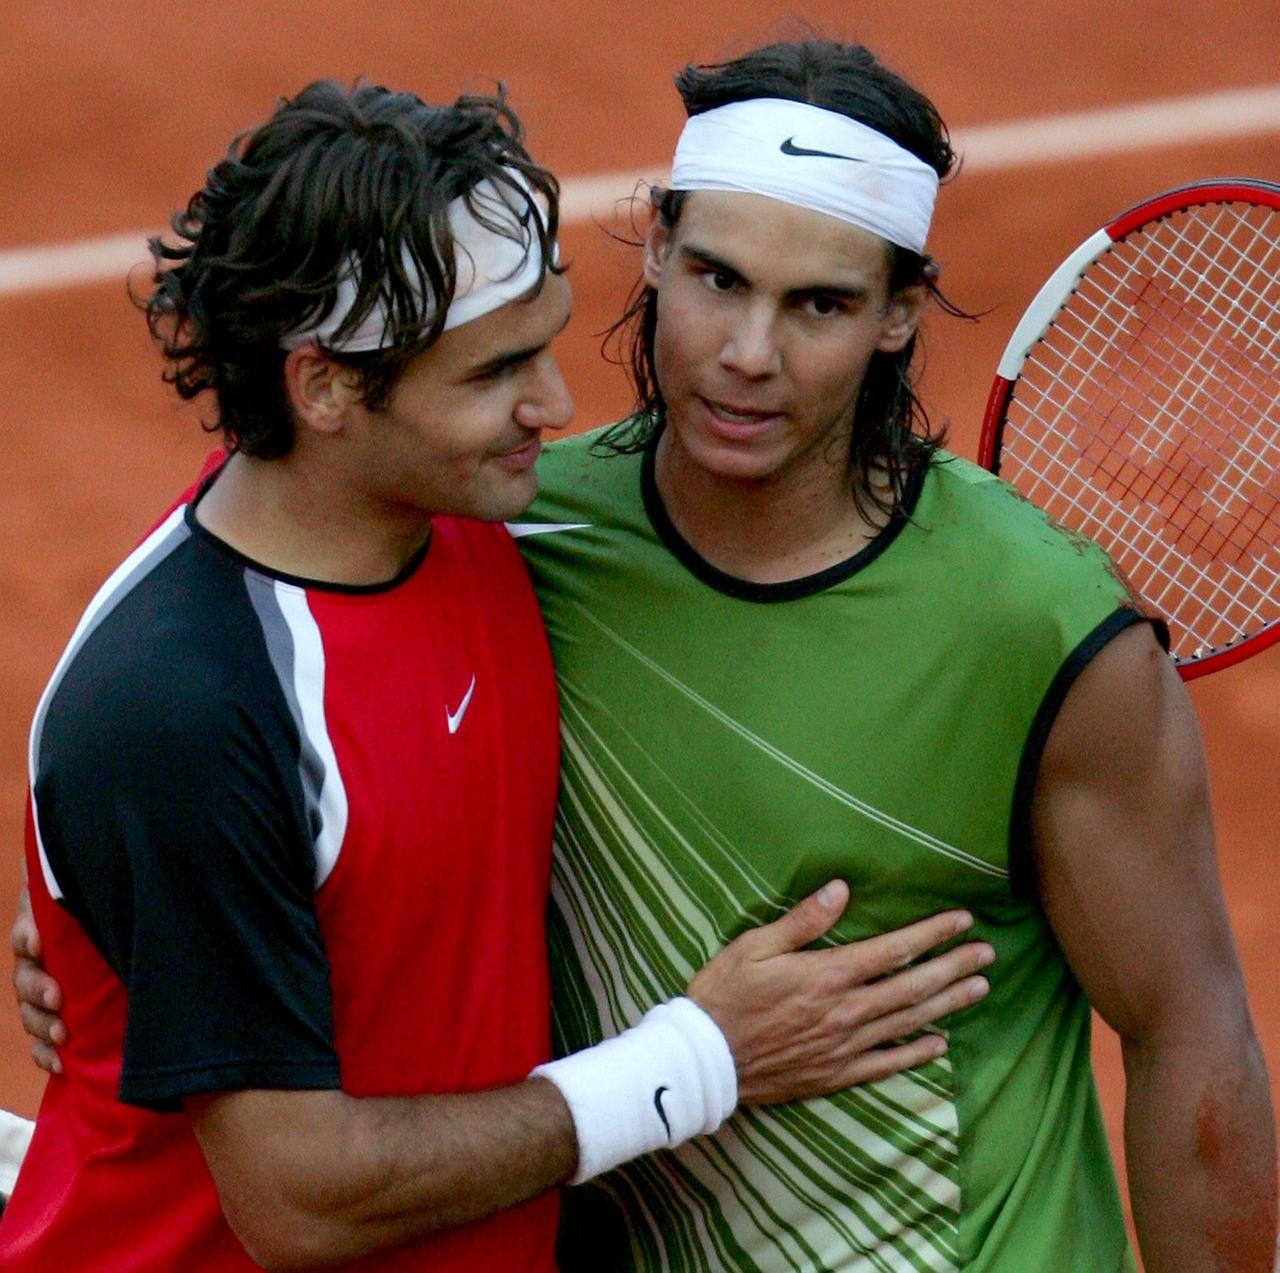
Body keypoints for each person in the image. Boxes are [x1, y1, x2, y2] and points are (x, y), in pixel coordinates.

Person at [1, 77, 996, 1271]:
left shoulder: (482, 532)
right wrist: (699, 1060)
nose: (554, 404)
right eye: (489, 374)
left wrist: (131, 926)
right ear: (320, 387)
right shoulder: (187, 710)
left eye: (544, 341)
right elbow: (300, 1200)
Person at [505, 39, 1277, 1272]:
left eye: (818, 303)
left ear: (898, 313)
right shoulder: (515, 537)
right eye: (714, 277)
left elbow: (1186, 1033)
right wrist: (92, 892)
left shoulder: (1031, 620)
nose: (747, 352)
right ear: (652, 243)